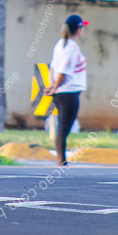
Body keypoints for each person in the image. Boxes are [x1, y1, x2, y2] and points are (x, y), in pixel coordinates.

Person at [45, 14, 88, 166]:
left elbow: (52, 68)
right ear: (78, 29)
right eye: (82, 27)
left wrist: (52, 87)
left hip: (62, 92)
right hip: (68, 93)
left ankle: (61, 159)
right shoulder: (71, 48)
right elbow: (63, 72)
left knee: (63, 127)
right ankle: (61, 160)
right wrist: (54, 88)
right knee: (64, 128)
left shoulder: (60, 45)